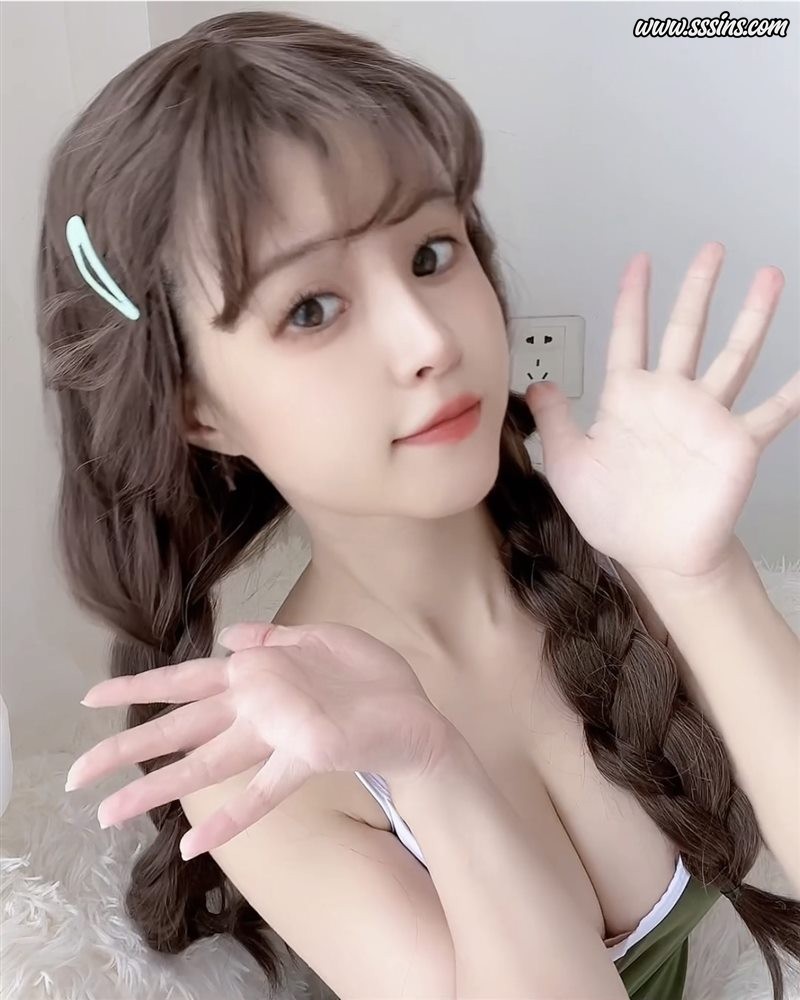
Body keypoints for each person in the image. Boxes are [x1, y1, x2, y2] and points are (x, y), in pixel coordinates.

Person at [38, 9, 799, 1000]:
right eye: (311, 309)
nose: (429, 340)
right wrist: (433, 770)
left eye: (432, 254)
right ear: (198, 409)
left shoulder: (617, 548)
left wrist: (702, 577)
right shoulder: (268, 755)